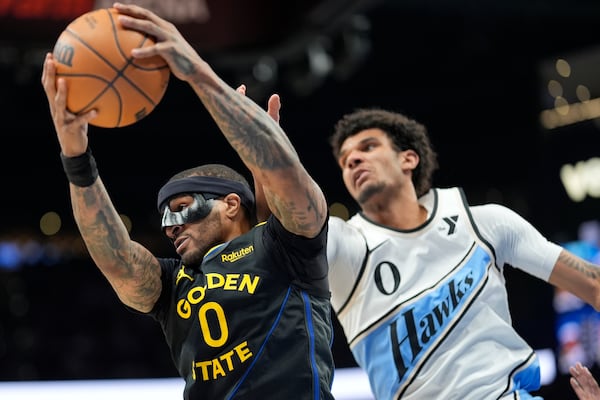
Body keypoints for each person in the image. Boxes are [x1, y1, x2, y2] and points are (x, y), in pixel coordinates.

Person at [41, 3, 334, 399]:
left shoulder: (286, 250)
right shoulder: (174, 284)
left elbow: (283, 170)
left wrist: (196, 71)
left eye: (181, 206)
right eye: (165, 214)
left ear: (231, 204)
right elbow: (116, 257)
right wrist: (76, 157)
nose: (169, 223)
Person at [320, 107, 600, 399]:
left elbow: (594, 284)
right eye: (344, 160)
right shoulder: (344, 244)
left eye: (368, 146)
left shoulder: (484, 222)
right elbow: (298, 217)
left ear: (408, 158)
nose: (353, 159)